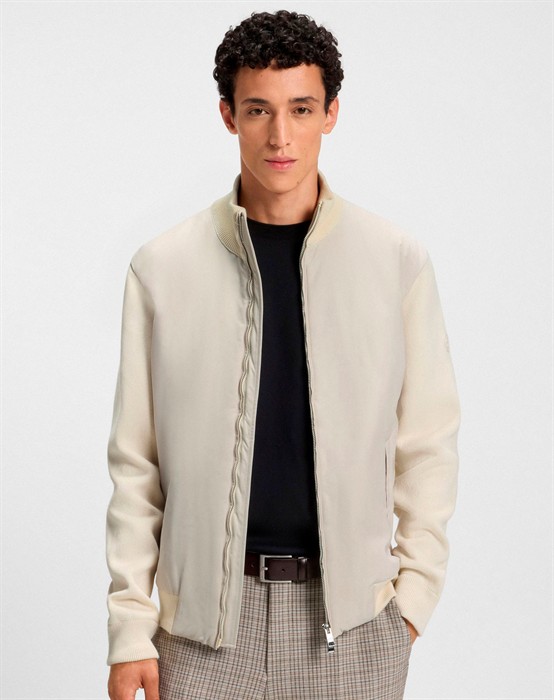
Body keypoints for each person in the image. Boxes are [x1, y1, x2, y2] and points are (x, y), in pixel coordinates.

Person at [105, 10, 460, 700]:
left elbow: (428, 441)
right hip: (201, 634)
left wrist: (411, 602)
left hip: (354, 628)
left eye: (300, 109)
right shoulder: (163, 268)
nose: (280, 136)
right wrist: (129, 630)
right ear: (228, 115)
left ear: (331, 114)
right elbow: (135, 464)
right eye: (258, 110)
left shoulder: (394, 262)